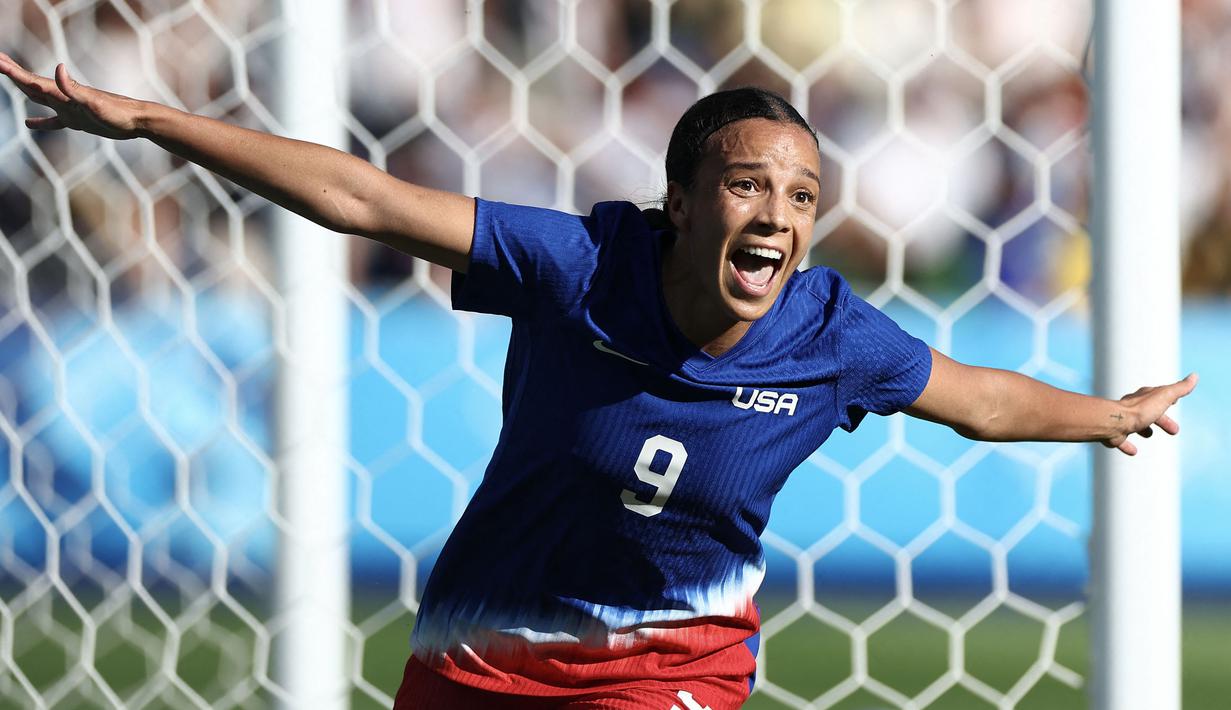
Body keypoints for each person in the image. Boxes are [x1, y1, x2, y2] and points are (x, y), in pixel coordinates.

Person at [0, 55, 1197, 710]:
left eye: (799, 197)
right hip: (483, 650)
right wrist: (156, 121)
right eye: (746, 185)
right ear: (679, 200)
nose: (776, 215)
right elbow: (362, 195)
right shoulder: (577, 264)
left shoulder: (832, 333)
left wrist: (1109, 417)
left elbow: (976, 396)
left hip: (672, 667)